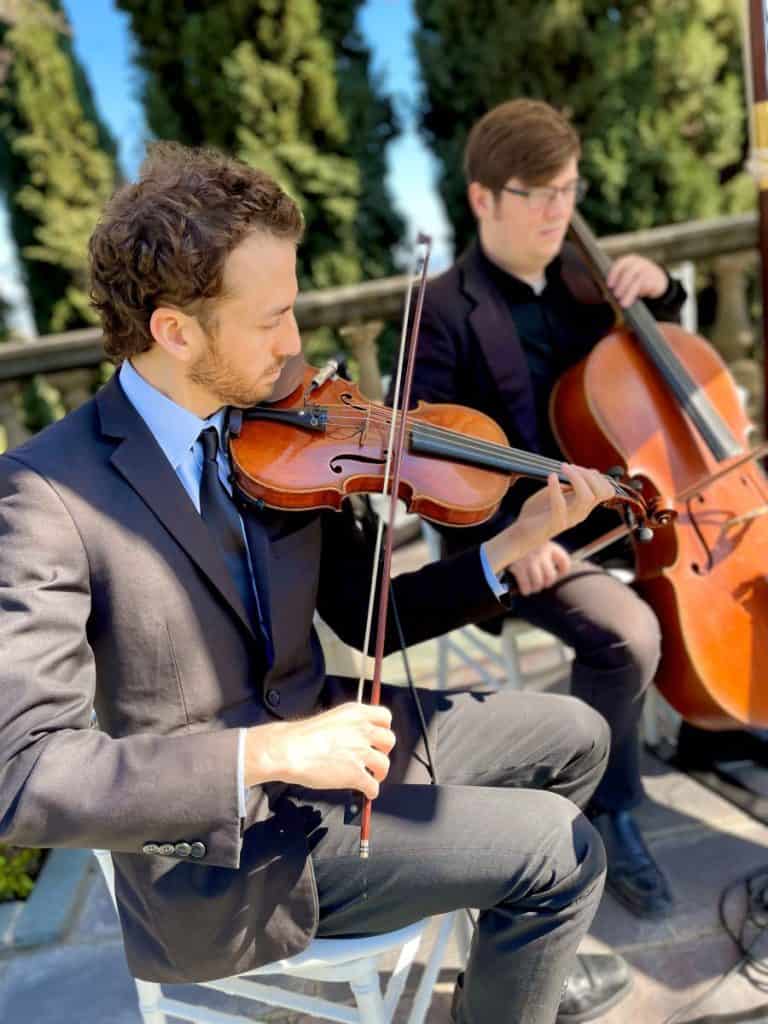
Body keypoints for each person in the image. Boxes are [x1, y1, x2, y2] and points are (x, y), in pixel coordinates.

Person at [0, 142, 630, 1024]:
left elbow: (372, 620)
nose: (295, 344)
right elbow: (23, 778)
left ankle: (506, 970)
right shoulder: (45, 493)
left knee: (576, 734)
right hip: (232, 852)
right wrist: (275, 754)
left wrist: (512, 544)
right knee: (563, 852)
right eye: (270, 321)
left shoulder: (289, 426)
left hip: (338, 743)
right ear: (175, 330)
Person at [395, 98, 686, 921]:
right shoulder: (445, 311)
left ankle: (709, 721)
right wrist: (510, 540)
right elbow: (423, 455)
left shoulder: (586, 283)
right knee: (626, 635)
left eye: (568, 189)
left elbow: (658, 371)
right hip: (531, 538)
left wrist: (660, 294)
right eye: (538, 193)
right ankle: (608, 811)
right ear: (483, 198)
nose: (560, 210)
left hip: (630, 508)